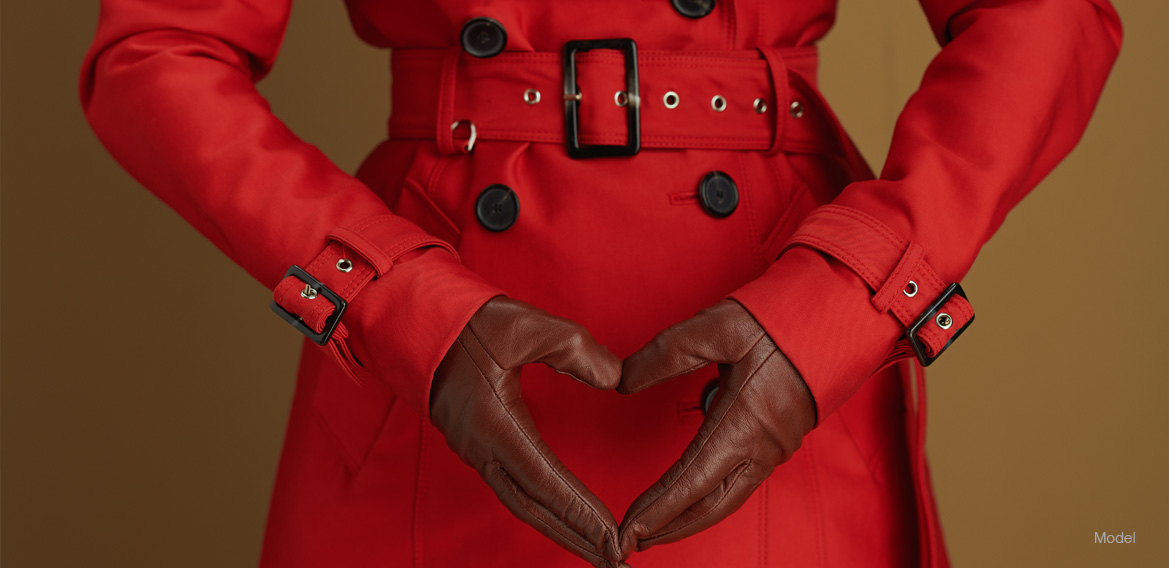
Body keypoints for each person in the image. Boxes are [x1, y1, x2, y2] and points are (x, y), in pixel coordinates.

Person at [79, 1, 1122, 566]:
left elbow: (1048, 17)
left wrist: (844, 297)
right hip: (438, 349)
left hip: (779, 339)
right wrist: (397, 299)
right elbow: (159, 50)